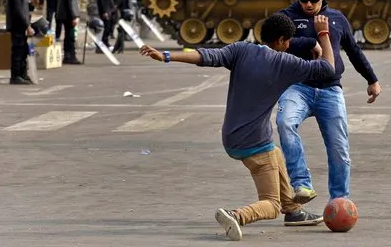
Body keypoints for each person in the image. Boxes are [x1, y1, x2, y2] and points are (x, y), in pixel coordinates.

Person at [139, 13, 336, 241]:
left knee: (277, 154)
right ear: (282, 41)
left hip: (231, 138)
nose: (289, 44)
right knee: (271, 204)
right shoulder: (287, 63)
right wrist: (323, 34)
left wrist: (165, 55)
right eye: (288, 41)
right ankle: (236, 215)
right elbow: (328, 68)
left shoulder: (242, 50)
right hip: (255, 145)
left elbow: (206, 55)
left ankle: (293, 211)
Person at [277, 0, 381, 204]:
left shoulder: (336, 18)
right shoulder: (287, 17)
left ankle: (339, 201)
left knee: (339, 149)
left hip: (330, 90)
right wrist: (310, 41)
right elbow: (274, 41)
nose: (308, 4)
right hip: (297, 87)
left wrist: (371, 80)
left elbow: (353, 50)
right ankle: (302, 183)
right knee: (285, 123)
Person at [6, 0, 36, 85]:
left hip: (22, 27)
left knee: (23, 51)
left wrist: (32, 5)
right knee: (17, 52)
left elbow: (25, 8)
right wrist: (27, 26)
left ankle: (23, 73)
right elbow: (18, 12)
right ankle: (15, 76)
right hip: (18, 27)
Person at [56, 0, 82, 64]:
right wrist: (73, 17)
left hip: (67, 16)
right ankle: (70, 56)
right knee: (70, 37)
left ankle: (69, 56)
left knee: (69, 37)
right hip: (68, 16)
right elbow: (68, 4)